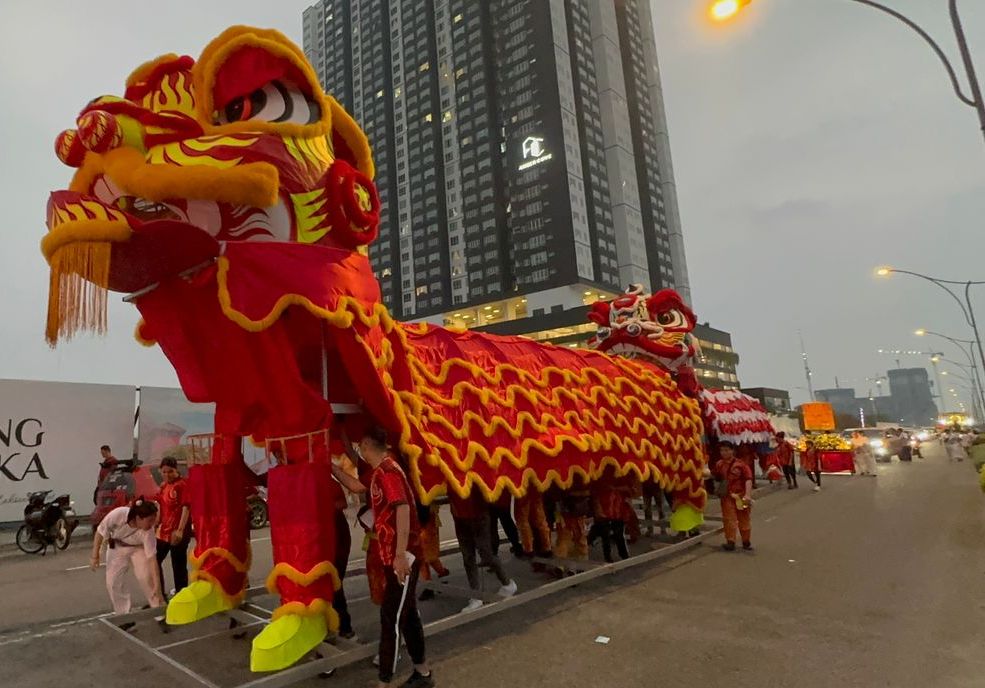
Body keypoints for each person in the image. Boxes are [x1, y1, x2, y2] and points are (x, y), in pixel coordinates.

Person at [331, 426, 433, 688]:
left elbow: (400, 510)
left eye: (359, 447)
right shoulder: (379, 472)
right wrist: (331, 468)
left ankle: (384, 680)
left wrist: (399, 555)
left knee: (392, 618)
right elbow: (355, 485)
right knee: (407, 615)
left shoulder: (388, 472)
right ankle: (423, 673)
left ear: (365, 446)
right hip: (393, 555)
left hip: (404, 557)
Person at [91, 499, 165, 625]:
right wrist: (95, 555)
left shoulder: (148, 532)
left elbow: (152, 560)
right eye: (150, 520)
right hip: (118, 547)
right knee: (113, 582)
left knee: (146, 577)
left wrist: (158, 586)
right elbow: (100, 531)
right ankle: (124, 616)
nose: (152, 524)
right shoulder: (118, 514)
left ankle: (160, 612)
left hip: (138, 549)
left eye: (154, 520)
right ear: (138, 518)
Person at [448, 491, 517, 612]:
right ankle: (476, 596)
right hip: (459, 516)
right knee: (468, 557)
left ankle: (507, 584)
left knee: (487, 555)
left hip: (479, 515)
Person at [155, 457, 191, 598]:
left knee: (178, 565)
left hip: (178, 531)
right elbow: (160, 506)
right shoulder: (164, 486)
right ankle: (159, 595)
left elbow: (186, 507)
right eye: (164, 472)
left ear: (176, 470)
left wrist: (180, 530)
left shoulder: (182, 485)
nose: (167, 474)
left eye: (170, 471)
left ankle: (182, 595)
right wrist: (156, 524)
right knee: (155, 560)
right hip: (164, 532)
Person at [713, 441, 754, 551]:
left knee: (744, 518)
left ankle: (746, 541)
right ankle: (730, 541)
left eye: (727, 450)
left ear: (732, 451)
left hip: (741, 496)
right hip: (727, 497)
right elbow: (717, 479)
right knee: (729, 519)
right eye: (722, 450)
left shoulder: (741, 464)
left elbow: (748, 479)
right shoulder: (719, 464)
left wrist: (748, 495)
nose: (724, 452)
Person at [489, 492, 523, 558]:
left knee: (492, 526)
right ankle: (516, 547)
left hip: (490, 497)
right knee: (507, 522)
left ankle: (493, 551)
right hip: (503, 496)